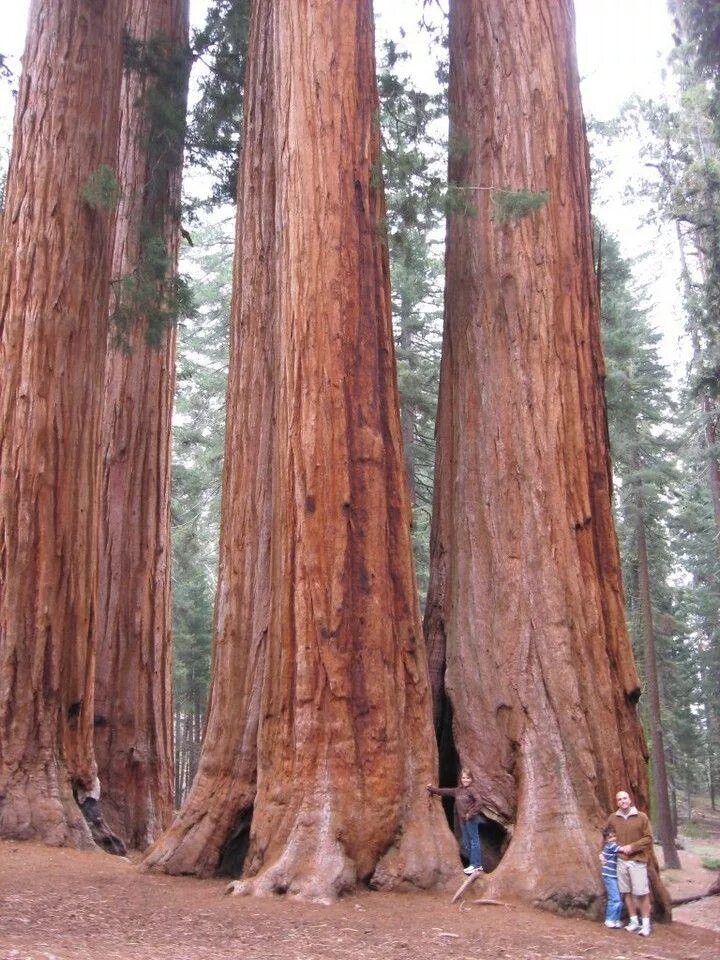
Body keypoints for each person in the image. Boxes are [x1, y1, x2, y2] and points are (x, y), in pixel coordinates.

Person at [606, 789, 653, 937]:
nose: (622, 801)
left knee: (642, 893)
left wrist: (632, 847)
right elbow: (606, 835)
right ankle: (634, 921)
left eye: (625, 798)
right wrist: (604, 852)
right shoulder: (613, 818)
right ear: (617, 802)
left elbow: (648, 838)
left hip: (637, 861)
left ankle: (645, 924)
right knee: (626, 892)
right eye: (619, 799)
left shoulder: (641, 817)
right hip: (621, 861)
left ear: (630, 800)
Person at [427, 768, 485, 874]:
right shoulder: (458, 790)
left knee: (474, 841)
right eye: (463, 778)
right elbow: (446, 791)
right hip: (463, 820)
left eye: (468, 778)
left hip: (471, 819)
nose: (465, 780)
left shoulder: (472, 790)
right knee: (467, 843)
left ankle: (476, 865)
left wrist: (470, 813)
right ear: (460, 778)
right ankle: (474, 864)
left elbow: (479, 802)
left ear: (471, 779)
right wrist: (432, 789)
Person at [599, 825, 623, 928]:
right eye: (610, 837)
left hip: (614, 875)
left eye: (614, 836)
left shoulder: (611, 845)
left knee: (618, 898)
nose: (613, 839)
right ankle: (609, 919)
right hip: (609, 875)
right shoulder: (611, 846)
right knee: (615, 898)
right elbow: (622, 849)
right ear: (606, 839)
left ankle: (616, 919)